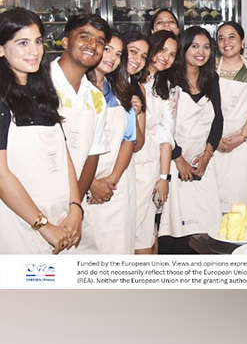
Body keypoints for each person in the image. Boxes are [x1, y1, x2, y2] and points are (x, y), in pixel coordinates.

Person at [0, 8, 83, 254]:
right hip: (20, 223)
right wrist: (43, 224)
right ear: (1, 48)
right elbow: (1, 176)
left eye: (38, 41)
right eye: (22, 43)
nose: (35, 51)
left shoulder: (44, 93)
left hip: (60, 217)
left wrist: (76, 207)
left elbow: (62, 153)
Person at [158, 26, 223, 254]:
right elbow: (161, 126)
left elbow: (218, 121)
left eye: (206, 47)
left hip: (202, 166)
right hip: (173, 164)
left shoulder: (211, 79)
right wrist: (178, 159)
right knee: (174, 231)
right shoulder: (168, 80)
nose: (201, 52)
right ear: (184, 48)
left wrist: (206, 156)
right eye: (195, 46)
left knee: (207, 232)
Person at [50, 14, 112, 253]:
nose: (92, 45)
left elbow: (92, 153)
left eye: (99, 42)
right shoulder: (40, 82)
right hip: (35, 200)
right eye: (84, 36)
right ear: (65, 41)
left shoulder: (95, 97)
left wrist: (74, 205)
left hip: (72, 202)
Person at [85, 30, 137, 254]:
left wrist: (111, 180)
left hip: (114, 188)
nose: (112, 58)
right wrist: (91, 183)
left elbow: (130, 139)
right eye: (107, 49)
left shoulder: (121, 92)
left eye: (118, 54)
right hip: (80, 185)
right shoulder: (76, 89)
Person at [133, 30, 180, 254]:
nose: (166, 57)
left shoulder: (169, 87)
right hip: (121, 162)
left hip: (148, 163)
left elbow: (166, 133)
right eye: (163, 50)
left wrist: (164, 177)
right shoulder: (128, 77)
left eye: (172, 54)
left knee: (146, 228)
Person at [213, 21, 247, 211]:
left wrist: (241, 136)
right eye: (221, 38)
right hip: (213, 145)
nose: (226, 42)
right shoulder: (210, 68)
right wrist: (215, 140)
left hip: (243, 145)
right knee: (213, 201)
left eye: (232, 36)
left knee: (239, 201)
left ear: (243, 41)